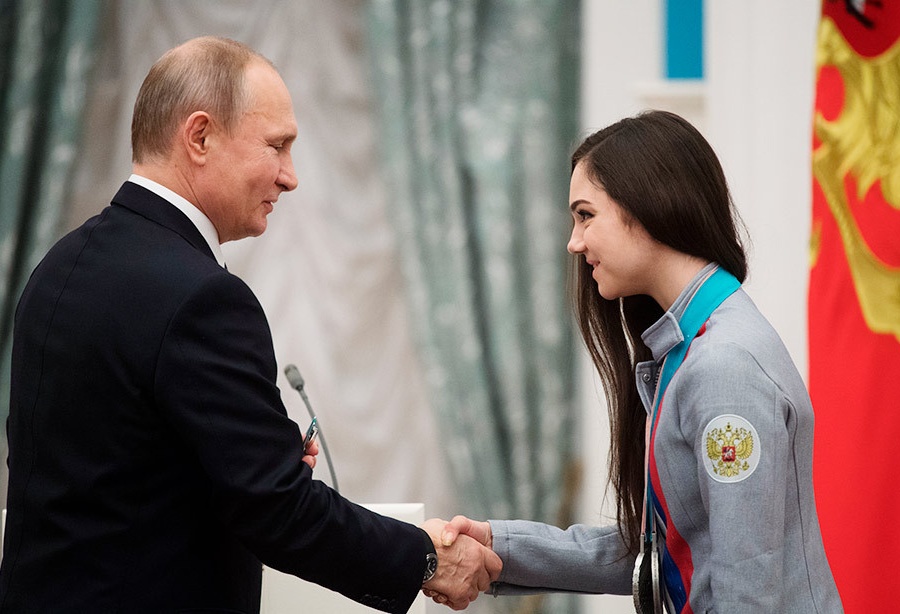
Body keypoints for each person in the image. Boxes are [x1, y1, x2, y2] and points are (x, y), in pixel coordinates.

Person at [0, 36, 500, 614]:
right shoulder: (202, 297)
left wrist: (245, 458)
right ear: (200, 137)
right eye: (277, 146)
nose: (290, 177)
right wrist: (426, 557)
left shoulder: (57, 265)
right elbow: (277, 509)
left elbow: (111, 471)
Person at [428, 110, 843, 612]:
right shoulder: (690, 347)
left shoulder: (724, 366)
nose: (574, 241)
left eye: (586, 215)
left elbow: (746, 589)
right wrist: (500, 547)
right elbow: (660, 554)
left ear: (649, 203)